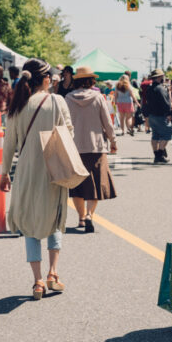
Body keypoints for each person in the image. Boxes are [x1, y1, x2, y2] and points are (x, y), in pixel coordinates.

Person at [0, 58, 73, 300]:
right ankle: (53, 273)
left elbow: (9, 144)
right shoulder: (56, 101)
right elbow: (69, 133)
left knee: (29, 224)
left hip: (26, 173)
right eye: (50, 76)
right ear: (45, 79)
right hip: (54, 171)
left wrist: (5, 174)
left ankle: (38, 281)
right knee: (55, 217)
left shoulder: (17, 104)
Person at [66, 66, 117, 233]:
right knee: (94, 184)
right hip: (96, 147)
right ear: (91, 80)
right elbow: (107, 122)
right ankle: (89, 215)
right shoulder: (98, 97)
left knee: (77, 186)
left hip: (74, 148)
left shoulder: (67, 98)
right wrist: (113, 140)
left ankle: (80, 218)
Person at [144, 69, 172, 163]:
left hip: (152, 115)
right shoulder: (161, 88)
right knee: (167, 133)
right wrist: (169, 114)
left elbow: (147, 102)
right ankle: (160, 154)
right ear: (159, 77)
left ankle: (157, 155)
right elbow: (165, 102)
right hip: (160, 115)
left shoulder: (149, 88)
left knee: (155, 135)